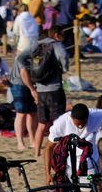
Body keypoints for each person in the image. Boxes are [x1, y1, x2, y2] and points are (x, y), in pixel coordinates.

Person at [45, 103, 102, 184]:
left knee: (94, 191)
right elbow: (49, 147)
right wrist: (48, 173)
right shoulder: (60, 123)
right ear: (71, 118)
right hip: (71, 167)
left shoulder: (95, 115)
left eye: (83, 124)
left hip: (93, 164)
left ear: (88, 117)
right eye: (77, 124)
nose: (80, 127)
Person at [17, 27, 68, 157]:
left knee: (42, 123)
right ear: (56, 35)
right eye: (62, 34)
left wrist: (29, 69)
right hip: (54, 89)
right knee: (59, 122)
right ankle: (59, 151)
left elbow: (20, 58)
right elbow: (63, 57)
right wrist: (64, 68)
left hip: (40, 90)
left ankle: (36, 152)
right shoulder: (56, 45)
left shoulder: (36, 46)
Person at [9, 47, 38, 151]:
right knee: (21, 113)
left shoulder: (43, 53)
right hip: (18, 84)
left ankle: (32, 141)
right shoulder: (27, 54)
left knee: (32, 113)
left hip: (31, 83)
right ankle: (20, 143)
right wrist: (32, 89)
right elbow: (23, 73)